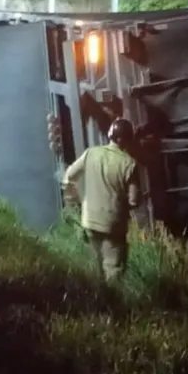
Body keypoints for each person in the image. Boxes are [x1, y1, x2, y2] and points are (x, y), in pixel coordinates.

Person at [61, 118, 140, 283]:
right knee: (113, 270)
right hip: (113, 226)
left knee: (94, 269)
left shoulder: (90, 153)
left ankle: (95, 296)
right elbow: (134, 200)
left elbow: (68, 177)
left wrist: (74, 202)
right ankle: (112, 298)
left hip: (89, 221)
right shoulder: (129, 164)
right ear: (124, 140)